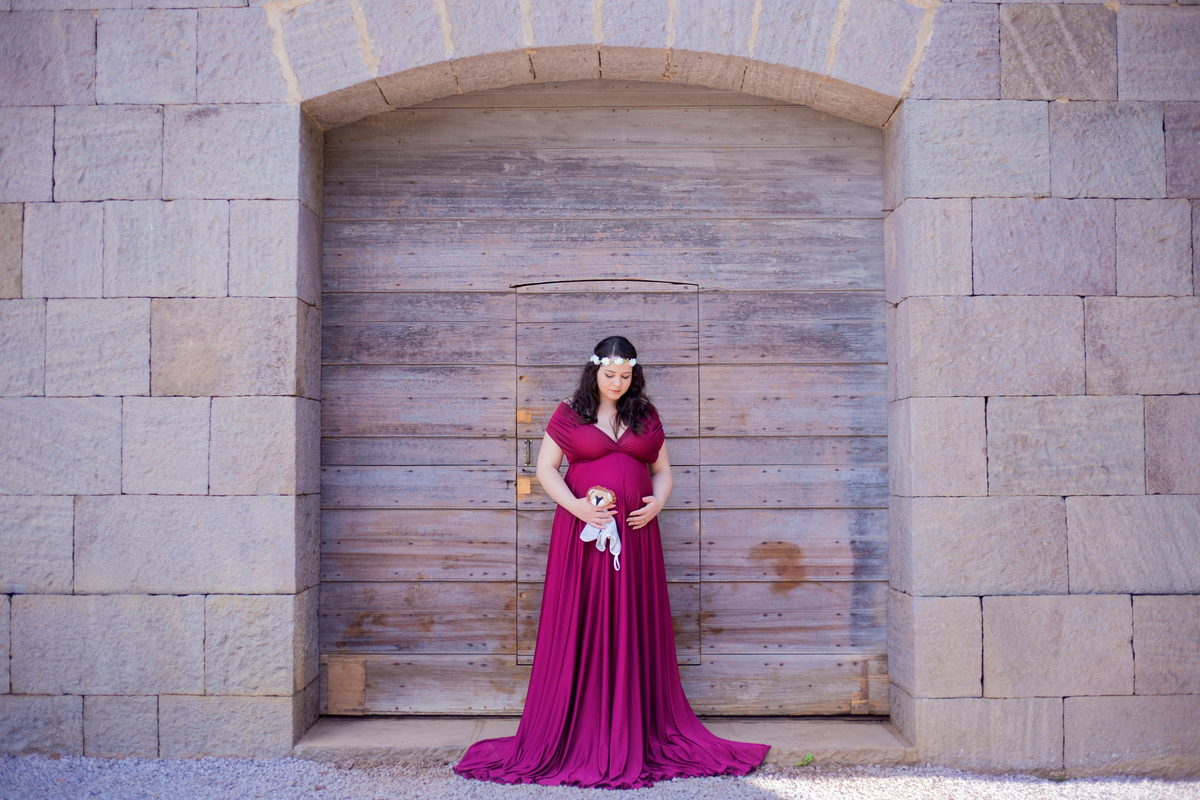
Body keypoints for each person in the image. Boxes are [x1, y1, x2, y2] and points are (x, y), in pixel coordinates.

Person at [454, 335, 770, 789]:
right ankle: (579, 728)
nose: (617, 383)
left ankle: (633, 726)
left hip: (638, 540)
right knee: (583, 621)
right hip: (581, 540)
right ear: (594, 371)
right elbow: (545, 469)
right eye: (609, 375)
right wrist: (577, 507)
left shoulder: (645, 415)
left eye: (625, 376)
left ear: (634, 374)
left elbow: (661, 470)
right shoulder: (569, 413)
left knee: (631, 622)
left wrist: (658, 503)